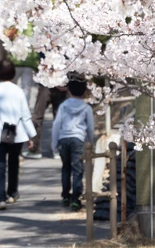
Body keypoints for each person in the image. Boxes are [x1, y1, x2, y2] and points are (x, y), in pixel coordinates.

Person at [0, 60, 37, 210]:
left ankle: (0, 198)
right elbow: (25, 115)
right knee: (13, 163)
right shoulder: (18, 91)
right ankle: (12, 193)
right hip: (16, 133)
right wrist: (31, 136)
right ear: (13, 73)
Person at [52, 80, 94, 211]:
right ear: (84, 92)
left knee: (66, 168)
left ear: (69, 91)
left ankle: (65, 196)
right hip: (78, 139)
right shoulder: (86, 108)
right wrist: (91, 142)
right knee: (77, 170)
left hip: (64, 138)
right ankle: (75, 199)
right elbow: (90, 128)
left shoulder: (64, 105)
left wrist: (54, 143)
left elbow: (56, 124)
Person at [26, 83, 69, 159]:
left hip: (51, 84)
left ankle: (56, 148)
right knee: (57, 118)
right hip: (52, 83)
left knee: (39, 116)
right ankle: (56, 149)